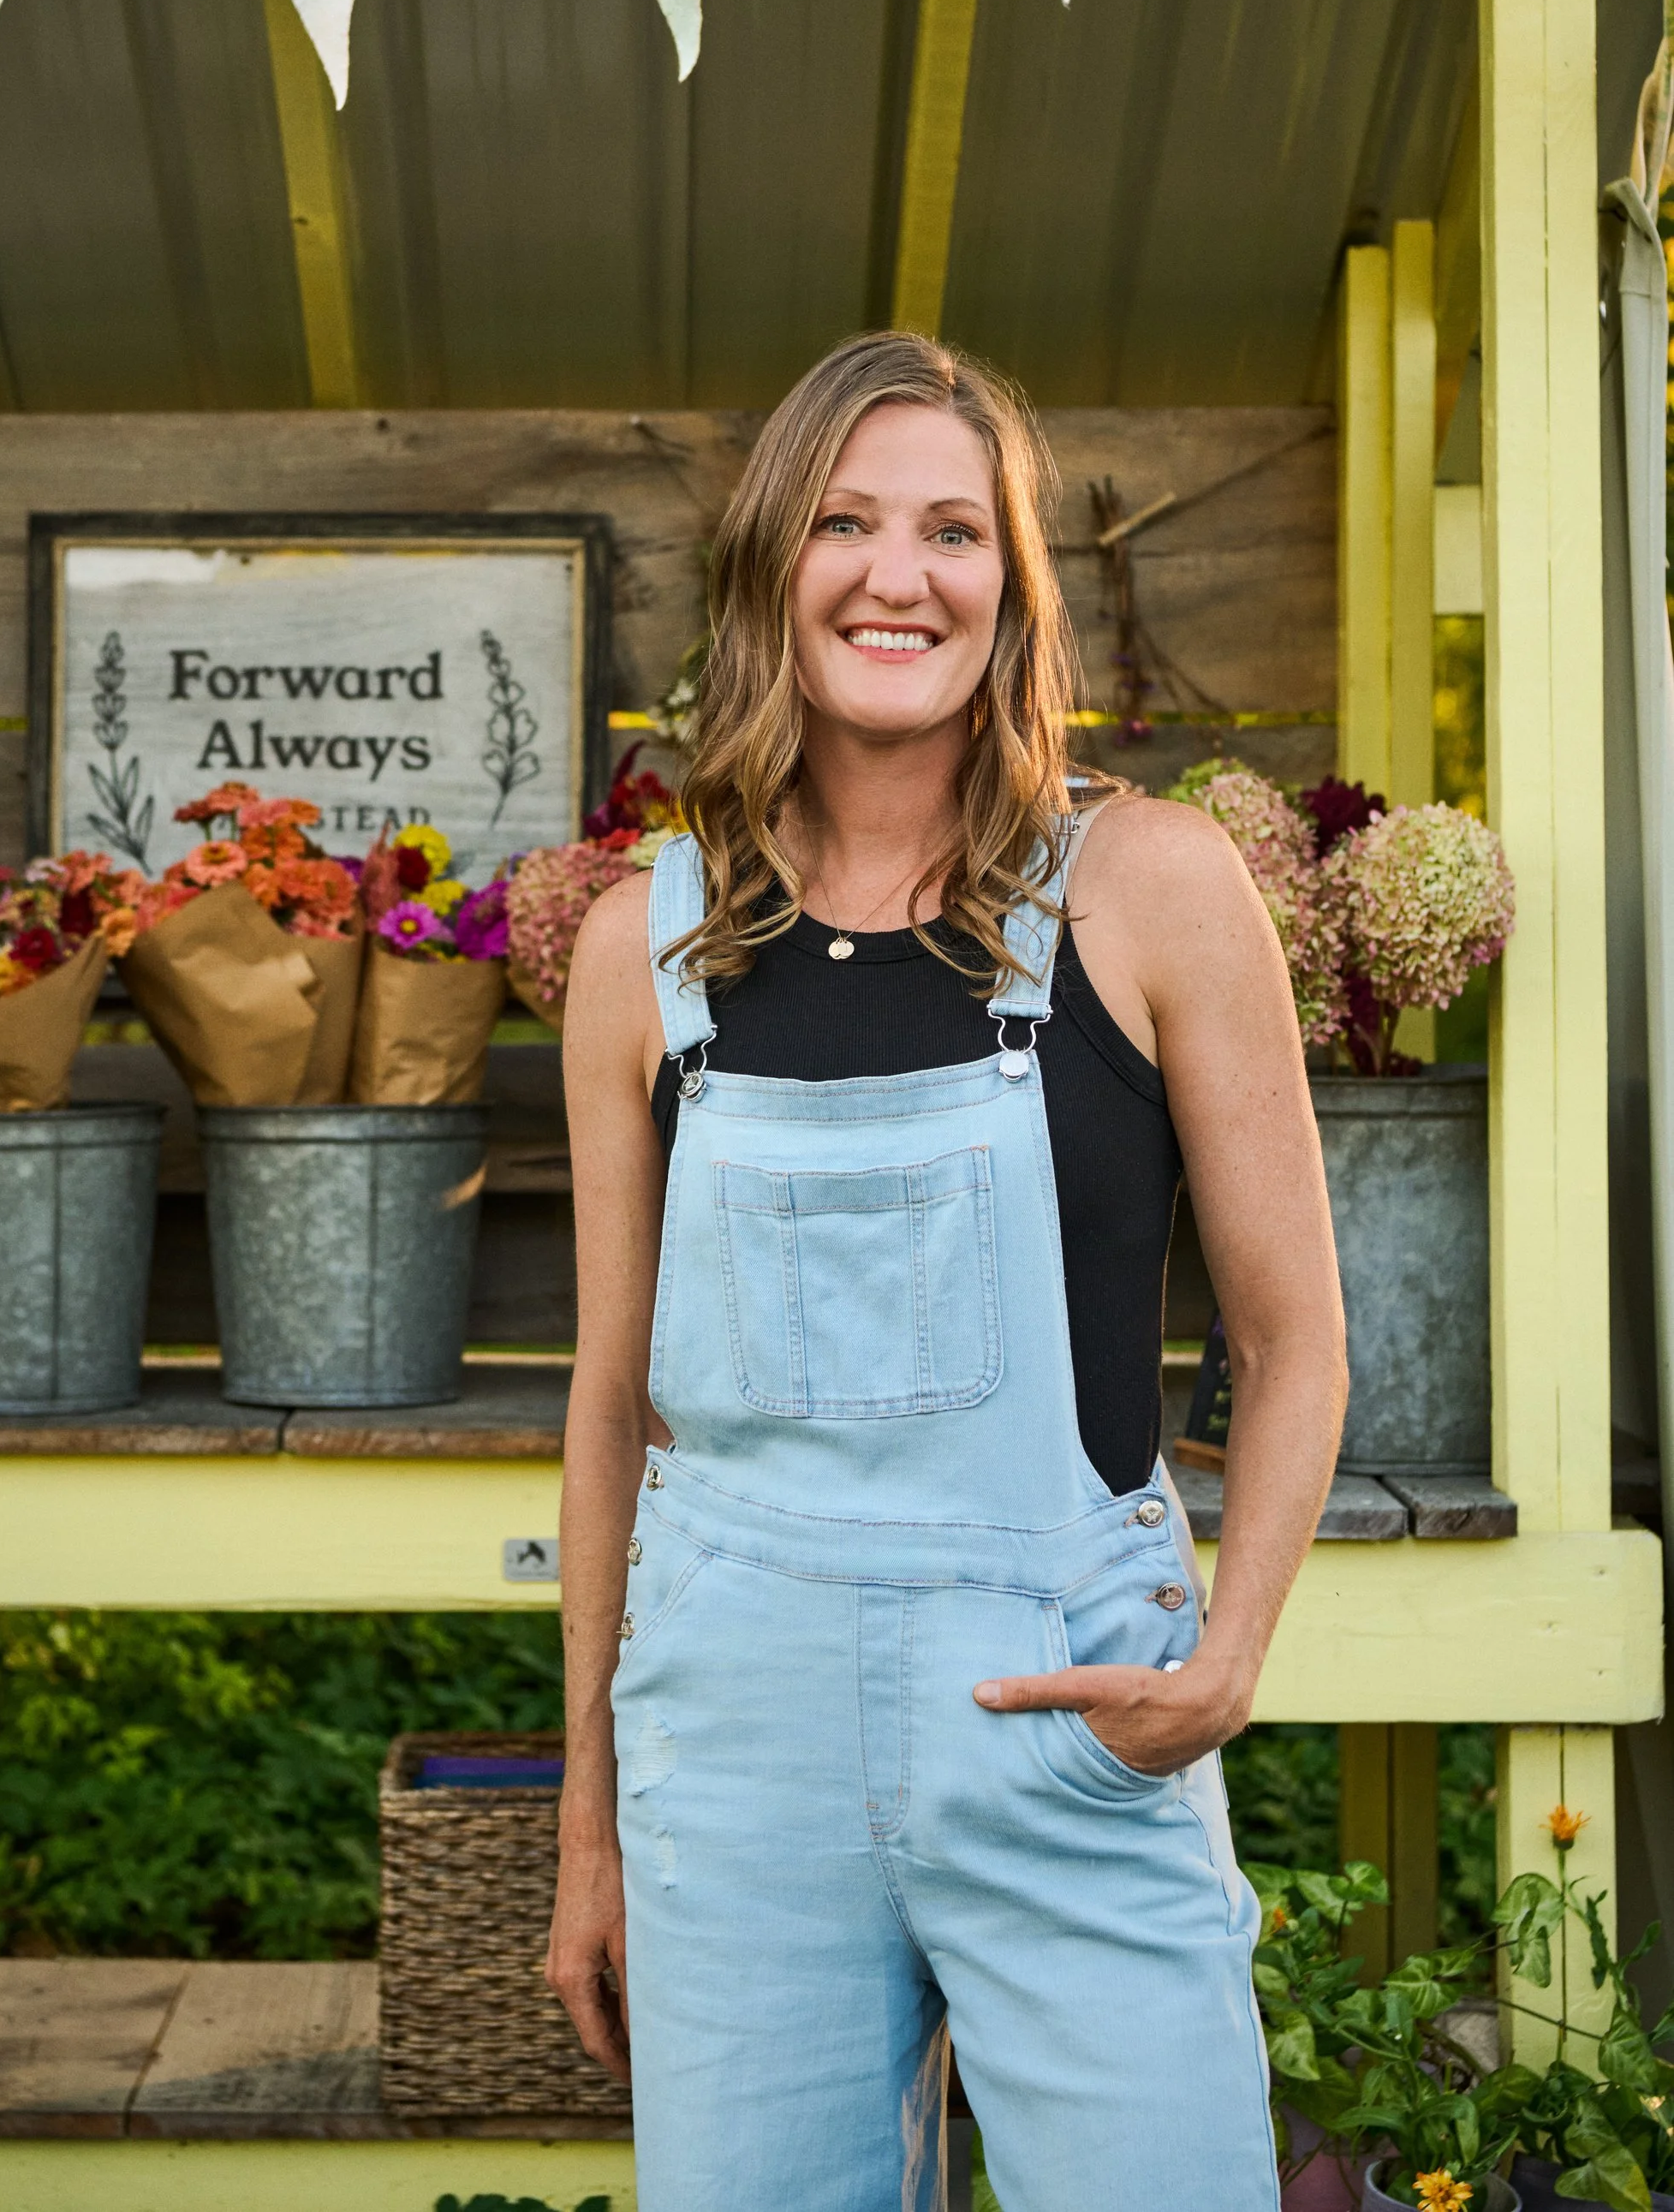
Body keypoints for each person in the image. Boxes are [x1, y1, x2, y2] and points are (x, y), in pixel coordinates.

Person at [545, 329, 1347, 2212]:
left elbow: (1291, 1333)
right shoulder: (637, 948)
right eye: (842, 521)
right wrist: (589, 1825)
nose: (896, 575)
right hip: (730, 1759)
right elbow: (605, 1406)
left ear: (1008, 588)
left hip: (1062, 1716)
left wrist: (1222, 1664)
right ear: (769, 571)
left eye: (950, 532)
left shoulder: (1146, 888)